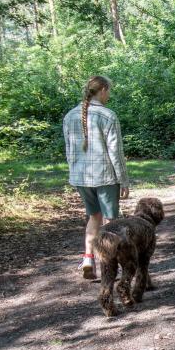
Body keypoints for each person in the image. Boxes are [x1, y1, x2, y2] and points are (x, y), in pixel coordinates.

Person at [63, 75, 129, 279]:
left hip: (82, 177)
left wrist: (74, 173)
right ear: (102, 90)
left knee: (93, 217)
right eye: (108, 91)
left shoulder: (69, 116)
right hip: (105, 176)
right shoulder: (108, 116)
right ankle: (108, 264)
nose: (109, 95)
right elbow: (115, 153)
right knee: (111, 221)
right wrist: (123, 179)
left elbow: (69, 151)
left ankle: (88, 258)